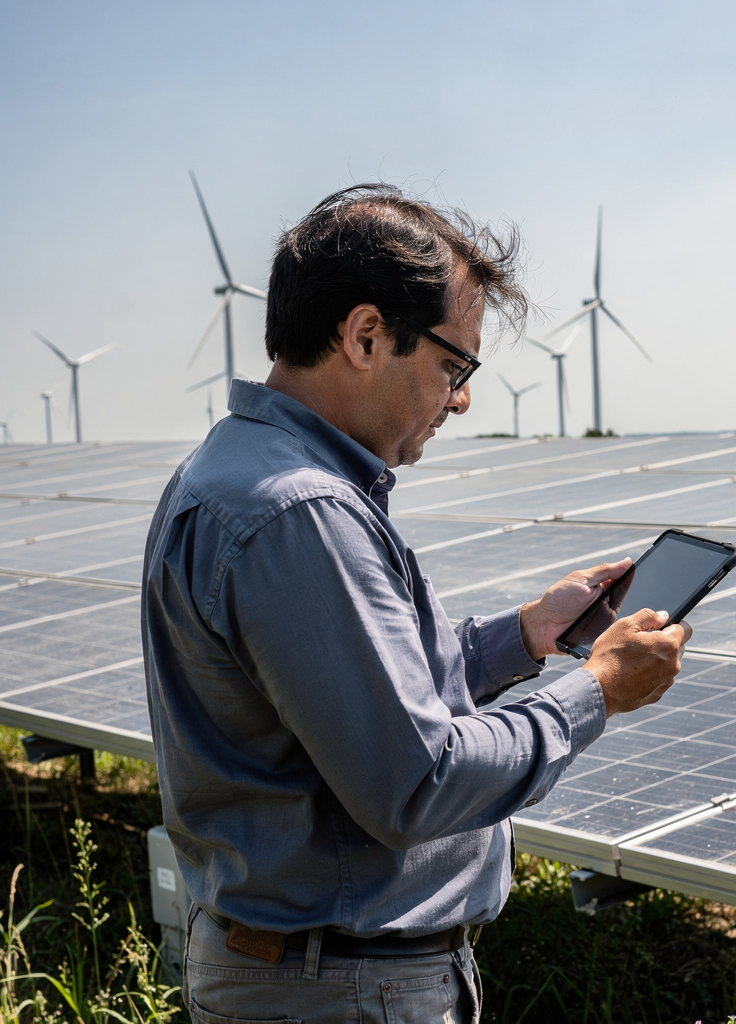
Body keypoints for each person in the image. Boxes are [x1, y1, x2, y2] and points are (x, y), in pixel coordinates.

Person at [142, 184, 689, 1024]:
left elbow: (357, 693)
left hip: (324, 979)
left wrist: (525, 636)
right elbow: (418, 781)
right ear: (366, 336)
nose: (462, 399)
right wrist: (597, 691)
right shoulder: (301, 514)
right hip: (343, 992)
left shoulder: (239, 473)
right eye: (453, 364)